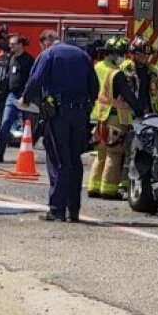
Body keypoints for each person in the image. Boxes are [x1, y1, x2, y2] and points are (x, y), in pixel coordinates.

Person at [23, 29, 99, 222]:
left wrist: (25, 99)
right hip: (80, 114)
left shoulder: (48, 54)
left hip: (59, 114)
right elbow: (94, 86)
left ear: (45, 42)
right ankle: (73, 210)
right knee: (75, 160)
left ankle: (57, 209)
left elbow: (35, 80)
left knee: (59, 160)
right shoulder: (82, 55)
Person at [87, 37, 144, 199]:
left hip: (98, 119)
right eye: (121, 54)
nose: (123, 57)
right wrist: (140, 111)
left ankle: (94, 186)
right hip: (115, 118)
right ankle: (109, 190)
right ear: (113, 54)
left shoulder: (97, 67)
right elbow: (129, 96)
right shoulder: (116, 74)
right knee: (114, 154)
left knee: (100, 154)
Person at [0, 35, 36, 163]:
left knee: (28, 127)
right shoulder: (11, 58)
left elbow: (32, 80)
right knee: (5, 124)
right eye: (10, 44)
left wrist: (26, 96)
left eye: (13, 44)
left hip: (24, 96)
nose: (11, 46)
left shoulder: (29, 60)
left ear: (20, 44)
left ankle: (26, 155)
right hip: (12, 95)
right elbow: (8, 77)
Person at [124, 38, 158, 117]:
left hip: (149, 113)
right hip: (130, 114)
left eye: (148, 54)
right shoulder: (125, 68)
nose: (146, 56)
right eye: (143, 54)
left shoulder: (153, 70)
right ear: (134, 53)